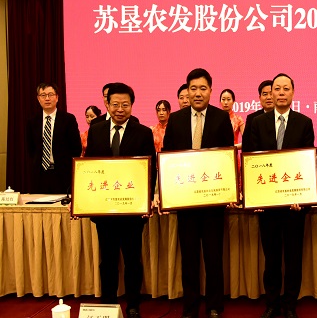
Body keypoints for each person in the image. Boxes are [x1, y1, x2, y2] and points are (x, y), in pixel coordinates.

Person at [162, 68, 234, 318]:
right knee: (189, 258)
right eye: (193, 88)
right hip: (186, 202)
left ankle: (214, 305)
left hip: (213, 202)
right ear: (187, 91)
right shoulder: (176, 119)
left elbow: (227, 157)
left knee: (214, 257)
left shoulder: (221, 118)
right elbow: (168, 157)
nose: (198, 93)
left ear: (211, 91)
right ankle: (190, 307)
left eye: (203, 88)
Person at [85, 82, 156, 318]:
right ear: (107, 104)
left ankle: (133, 304)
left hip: (132, 211)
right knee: (107, 261)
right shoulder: (95, 131)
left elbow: (150, 171)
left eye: (125, 104)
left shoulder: (143, 132)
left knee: (132, 260)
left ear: (132, 106)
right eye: (115, 104)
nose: (120, 109)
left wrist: (146, 201)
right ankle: (108, 304)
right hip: (104, 211)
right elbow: (89, 168)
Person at [249, 73, 314, 318]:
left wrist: (303, 198)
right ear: (271, 93)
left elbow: (306, 162)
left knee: (294, 257)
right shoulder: (258, 123)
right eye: (277, 89)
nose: (281, 93)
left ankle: (290, 304)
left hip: (294, 206)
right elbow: (252, 161)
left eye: (286, 88)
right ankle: (272, 303)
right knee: (272, 258)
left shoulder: (304, 122)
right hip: (268, 205)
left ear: (293, 93)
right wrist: (255, 197)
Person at [26, 82, 81, 194]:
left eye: (50, 95)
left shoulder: (68, 119)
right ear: (38, 99)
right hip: (40, 175)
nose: (47, 98)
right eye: (43, 95)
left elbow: (76, 148)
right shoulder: (32, 121)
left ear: (57, 97)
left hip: (63, 174)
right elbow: (31, 148)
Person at [241, 80, 273, 153]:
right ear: (260, 98)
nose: (268, 97)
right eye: (265, 94)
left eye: (271, 94)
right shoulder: (252, 118)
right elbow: (246, 146)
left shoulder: (283, 117)